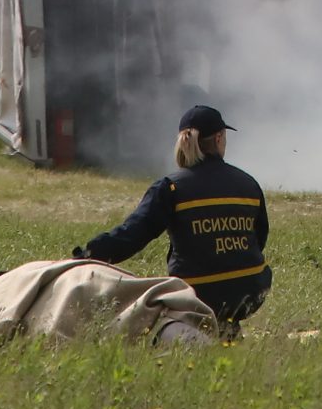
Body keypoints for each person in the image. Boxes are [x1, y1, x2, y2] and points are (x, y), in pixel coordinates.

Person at [75, 104, 271, 333]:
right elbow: (259, 238)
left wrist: (89, 254)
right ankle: (227, 330)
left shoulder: (171, 187)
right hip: (253, 290)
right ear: (219, 139)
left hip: (196, 296)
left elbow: (133, 234)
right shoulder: (248, 184)